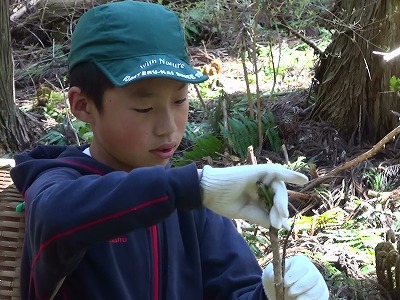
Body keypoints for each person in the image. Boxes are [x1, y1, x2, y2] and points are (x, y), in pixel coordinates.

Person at [10, 1, 329, 299]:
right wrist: (193, 187)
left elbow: (236, 288)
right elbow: (56, 220)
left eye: (179, 101)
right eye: (144, 107)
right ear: (83, 106)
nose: (169, 127)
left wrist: (273, 293)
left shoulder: (194, 209)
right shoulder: (56, 184)